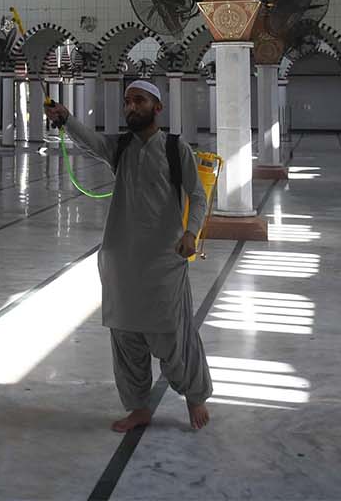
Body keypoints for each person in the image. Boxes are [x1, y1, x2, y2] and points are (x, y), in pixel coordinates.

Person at [45, 80, 213, 432]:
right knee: (125, 338)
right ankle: (138, 407)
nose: (131, 107)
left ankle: (195, 395)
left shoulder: (174, 147)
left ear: (157, 108)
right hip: (121, 261)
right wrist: (66, 118)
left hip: (163, 260)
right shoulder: (120, 147)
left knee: (172, 335)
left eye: (139, 101)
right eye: (127, 102)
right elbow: (91, 143)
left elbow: (196, 196)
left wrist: (190, 233)